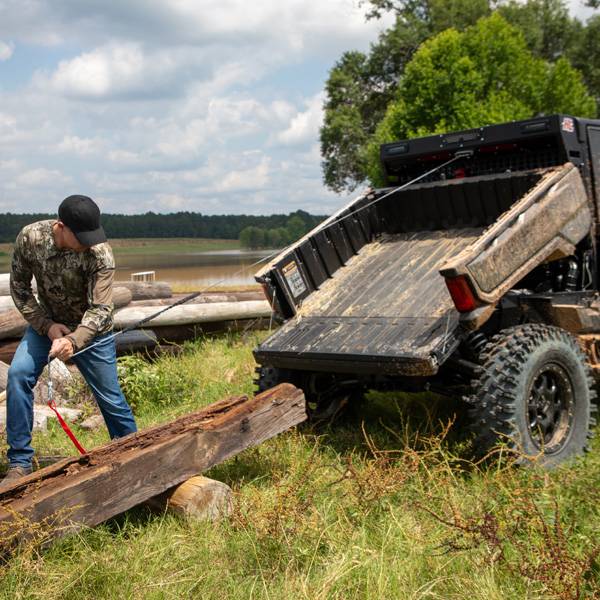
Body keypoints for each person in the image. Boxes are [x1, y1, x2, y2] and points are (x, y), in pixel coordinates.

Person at [1, 195, 137, 488]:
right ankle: (19, 463)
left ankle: (134, 456)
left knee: (111, 399)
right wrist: (47, 327)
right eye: (82, 237)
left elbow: (101, 309)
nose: (89, 242)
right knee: (18, 375)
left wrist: (74, 341)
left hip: (92, 331)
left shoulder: (100, 254)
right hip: (47, 326)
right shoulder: (31, 238)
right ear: (61, 226)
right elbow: (20, 289)